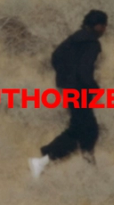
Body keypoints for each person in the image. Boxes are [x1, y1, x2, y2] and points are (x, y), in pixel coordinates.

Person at [31, 10, 108, 179]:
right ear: (98, 26)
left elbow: (55, 57)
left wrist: (65, 79)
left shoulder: (74, 38)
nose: (105, 29)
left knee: (80, 128)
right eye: (104, 26)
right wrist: (93, 87)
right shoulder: (92, 43)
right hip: (81, 91)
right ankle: (46, 159)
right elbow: (84, 70)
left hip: (68, 89)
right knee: (89, 129)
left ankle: (88, 166)